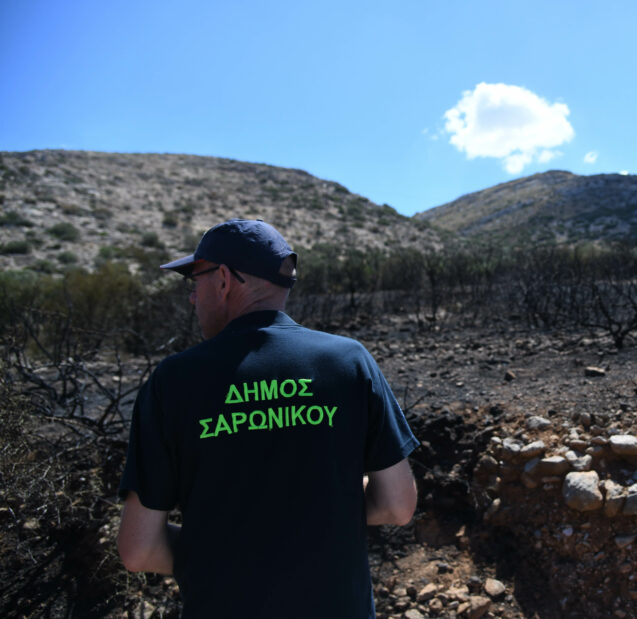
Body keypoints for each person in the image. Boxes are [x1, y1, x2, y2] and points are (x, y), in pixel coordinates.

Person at [117, 218, 418, 617]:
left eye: (195, 279)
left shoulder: (174, 381)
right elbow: (397, 505)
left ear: (223, 279)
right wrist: (316, 515)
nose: (192, 297)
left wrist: (230, 548)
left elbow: (139, 551)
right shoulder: (348, 361)